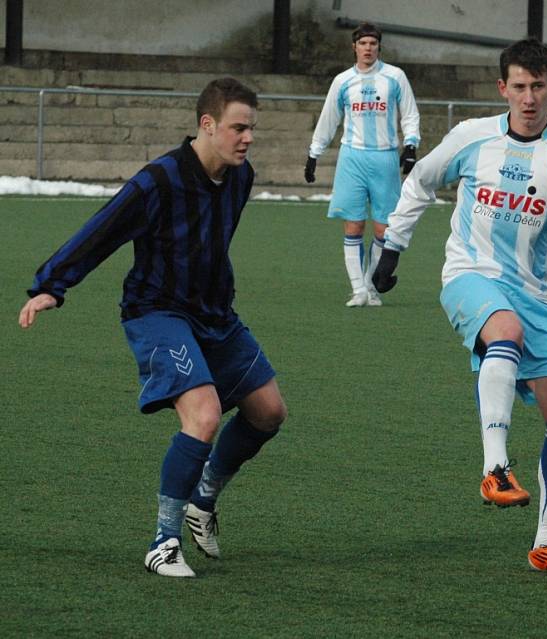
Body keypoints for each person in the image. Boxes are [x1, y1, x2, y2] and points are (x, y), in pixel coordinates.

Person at [372, 38, 547, 577]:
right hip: (469, 277)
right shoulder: (470, 138)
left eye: (538, 87)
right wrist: (393, 248)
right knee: (504, 330)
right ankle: (495, 468)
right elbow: (420, 182)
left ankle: (546, 544)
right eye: (519, 87)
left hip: (536, 295)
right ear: (503, 88)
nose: (529, 98)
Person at [18, 77, 287, 578]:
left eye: (252, 128)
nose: (247, 138)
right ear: (207, 125)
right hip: (157, 311)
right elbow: (102, 229)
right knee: (203, 415)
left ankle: (201, 500)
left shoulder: (240, 176)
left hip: (214, 313)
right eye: (238, 127)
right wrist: (52, 284)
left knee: (269, 412)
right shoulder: (159, 180)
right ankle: (162, 542)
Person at [304, 21, 420, 307]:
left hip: (384, 158)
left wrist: (411, 145)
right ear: (354, 47)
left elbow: (409, 114)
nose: (368, 48)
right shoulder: (343, 81)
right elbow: (329, 117)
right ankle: (358, 290)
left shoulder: (395, 77)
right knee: (354, 226)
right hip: (352, 158)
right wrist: (313, 154)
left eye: (373, 43)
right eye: (363, 43)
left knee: (383, 230)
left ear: (378, 47)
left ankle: (370, 287)